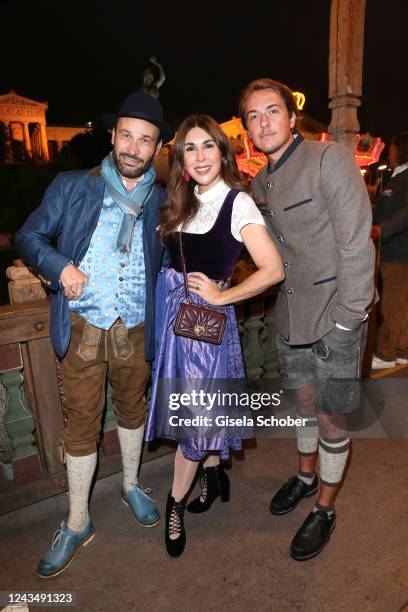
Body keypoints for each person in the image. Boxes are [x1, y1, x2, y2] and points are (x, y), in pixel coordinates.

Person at [15, 92, 174, 577]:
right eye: (126, 135)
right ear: (112, 136)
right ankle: (78, 520)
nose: (133, 147)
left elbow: (166, 260)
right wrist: (58, 267)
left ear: (156, 147)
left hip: (137, 325)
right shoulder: (71, 186)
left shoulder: (163, 200)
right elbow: (29, 236)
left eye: (145, 140)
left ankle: (130, 485)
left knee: (132, 409)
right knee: (81, 423)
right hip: (84, 326)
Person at [238, 78, 375, 560]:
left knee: (330, 418)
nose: (263, 122)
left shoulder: (327, 159)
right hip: (292, 317)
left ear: (291, 117)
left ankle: (326, 507)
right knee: (302, 405)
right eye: (253, 116)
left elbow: (357, 243)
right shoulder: (260, 182)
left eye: (271, 111)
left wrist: (347, 320)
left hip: (336, 317)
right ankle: (304, 476)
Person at [145, 114, 284, 557]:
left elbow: (273, 269)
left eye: (208, 146)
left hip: (204, 324)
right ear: (181, 157)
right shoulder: (180, 201)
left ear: (222, 153)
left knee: (197, 418)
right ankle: (215, 475)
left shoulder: (237, 203)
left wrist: (224, 298)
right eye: (190, 147)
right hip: (173, 320)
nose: (200, 156)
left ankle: (174, 504)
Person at [371, 131, 408, 369]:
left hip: (398, 252)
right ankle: (401, 350)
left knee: (391, 305)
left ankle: (385, 354)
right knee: (401, 305)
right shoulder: (396, 177)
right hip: (394, 251)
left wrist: (381, 229)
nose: (389, 153)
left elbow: (405, 215)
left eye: (392, 149)